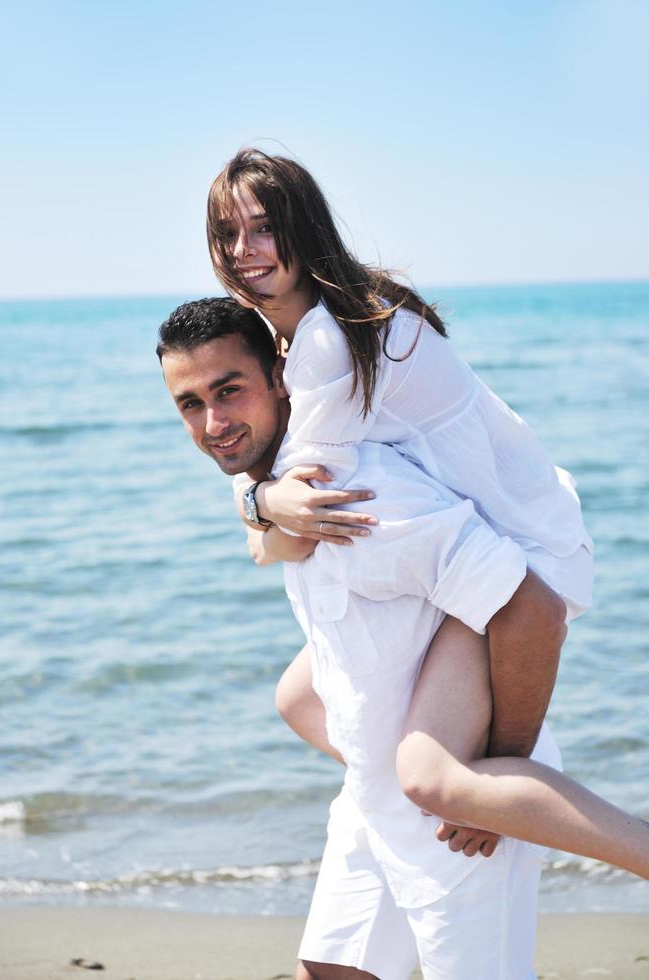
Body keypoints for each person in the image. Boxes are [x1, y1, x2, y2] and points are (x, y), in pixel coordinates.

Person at [157, 298, 649, 979]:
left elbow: (534, 610)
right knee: (332, 970)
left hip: (459, 823)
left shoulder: (358, 498)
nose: (213, 422)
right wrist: (260, 503)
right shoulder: (286, 493)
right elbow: (264, 541)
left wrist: (483, 782)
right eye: (189, 403)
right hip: (375, 800)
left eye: (228, 390)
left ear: (281, 377)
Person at [204, 148, 593, 854]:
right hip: (506, 529)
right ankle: (430, 808)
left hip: (523, 556)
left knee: (446, 777)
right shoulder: (326, 319)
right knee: (300, 697)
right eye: (227, 235)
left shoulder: (328, 339)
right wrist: (263, 504)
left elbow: (295, 526)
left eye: (262, 228)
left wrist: (258, 505)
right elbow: (277, 501)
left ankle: (496, 793)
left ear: (305, 227)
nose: (243, 250)